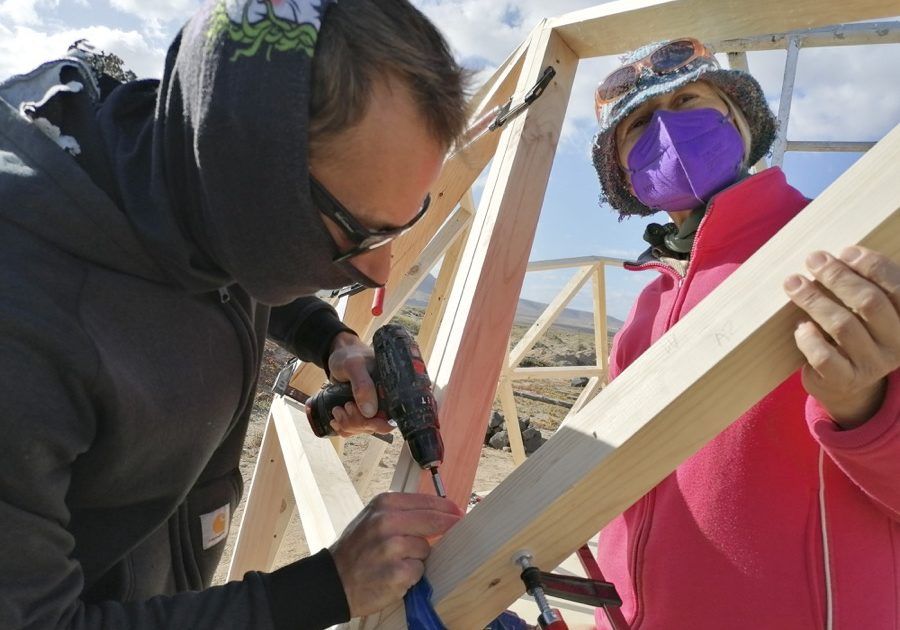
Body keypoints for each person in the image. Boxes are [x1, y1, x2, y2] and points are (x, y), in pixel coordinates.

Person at [0, 1, 469, 628]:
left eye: (400, 227)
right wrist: (323, 589)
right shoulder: (22, 335)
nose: (380, 272)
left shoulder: (177, 177)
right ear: (246, 174)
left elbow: (229, 263)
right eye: (358, 234)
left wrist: (331, 341)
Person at [589, 38, 899, 628]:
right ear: (623, 174)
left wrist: (870, 412)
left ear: (737, 116)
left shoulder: (843, 250)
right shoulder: (647, 304)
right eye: (638, 125)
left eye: (686, 99)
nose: (667, 129)